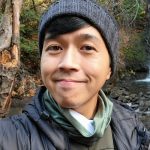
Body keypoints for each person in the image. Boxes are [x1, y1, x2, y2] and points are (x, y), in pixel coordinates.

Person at [0, 0, 150, 149]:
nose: (68, 63)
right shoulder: (10, 137)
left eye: (87, 47)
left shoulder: (133, 129)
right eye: (55, 47)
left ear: (109, 68)